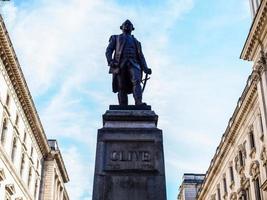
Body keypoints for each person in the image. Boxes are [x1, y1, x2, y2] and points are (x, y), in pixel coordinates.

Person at [105, 19, 152, 105]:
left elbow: (141, 56)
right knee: (121, 86)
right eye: (125, 24)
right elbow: (109, 50)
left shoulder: (137, 42)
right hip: (119, 65)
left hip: (134, 64)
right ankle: (123, 105)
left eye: (129, 24)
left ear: (132, 28)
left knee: (137, 81)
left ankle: (138, 102)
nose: (127, 25)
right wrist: (110, 61)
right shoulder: (116, 38)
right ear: (121, 27)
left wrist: (145, 68)